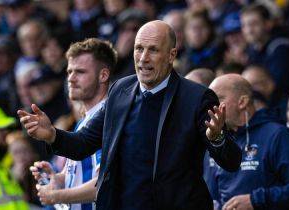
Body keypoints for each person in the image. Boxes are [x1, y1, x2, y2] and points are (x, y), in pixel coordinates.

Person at [18, 20, 241, 210]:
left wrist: (217, 138)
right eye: (138, 48)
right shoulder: (120, 90)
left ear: (171, 54)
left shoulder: (197, 97)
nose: (143, 58)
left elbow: (231, 161)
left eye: (153, 50)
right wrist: (51, 135)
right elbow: (83, 143)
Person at [208, 74, 289, 210]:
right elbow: (216, 196)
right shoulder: (220, 139)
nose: (212, 106)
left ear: (242, 102)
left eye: (218, 99)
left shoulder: (279, 135)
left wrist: (255, 200)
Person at [30, 38, 115, 210]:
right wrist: (58, 178)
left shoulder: (111, 120)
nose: (71, 79)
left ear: (103, 75)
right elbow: (86, 173)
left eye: (81, 72)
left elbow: (106, 183)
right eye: (69, 72)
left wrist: (56, 196)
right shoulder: (84, 122)